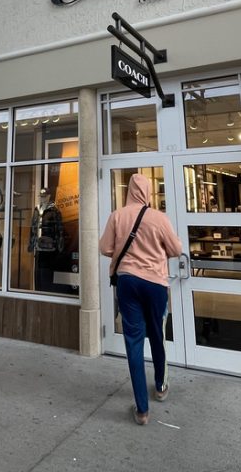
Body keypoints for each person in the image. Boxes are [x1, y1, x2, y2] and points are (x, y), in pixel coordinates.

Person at [99, 174, 182, 426]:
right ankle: (160, 386)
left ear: (129, 192)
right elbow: (176, 249)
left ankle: (142, 409)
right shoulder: (159, 217)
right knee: (157, 333)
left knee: (134, 341)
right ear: (147, 192)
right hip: (155, 283)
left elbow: (105, 248)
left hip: (127, 282)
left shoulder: (117, 216)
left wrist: (125, 251)